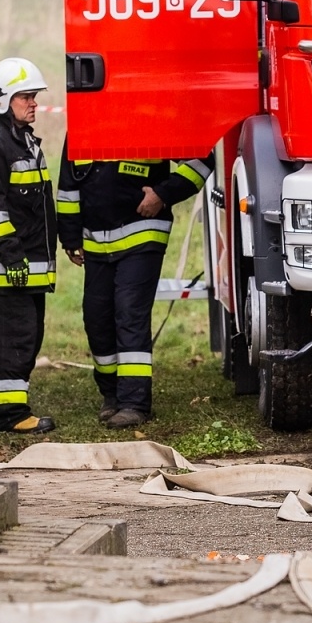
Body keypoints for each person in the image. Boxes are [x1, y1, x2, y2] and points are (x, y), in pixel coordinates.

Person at [56, 148, 209, 427]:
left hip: (142, 234)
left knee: (129, 313)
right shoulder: (85, 118)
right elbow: (68, 186)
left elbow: (202, 162)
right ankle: (111, 395)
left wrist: (163, 193)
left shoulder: (151, 115)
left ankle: (134, 403)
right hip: (96, 243)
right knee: (96, 318)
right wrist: (69, 236)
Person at [0, 57, 57, 434]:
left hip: (25, 269)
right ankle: (8, 416)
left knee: (27, 336)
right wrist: (12, 254)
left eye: (34, 96)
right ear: (4, 100)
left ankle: (7, 406)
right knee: (13, 340)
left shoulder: (21, 141)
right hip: (7, 271)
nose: (34, 103)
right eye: (27, 97)